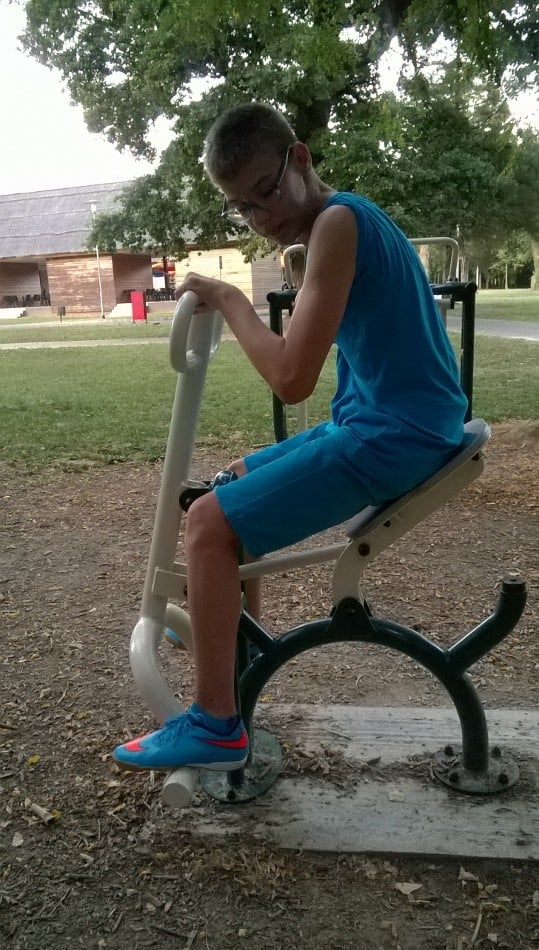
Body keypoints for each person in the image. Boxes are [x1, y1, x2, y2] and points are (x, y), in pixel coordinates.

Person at [113, 102, 468, 772]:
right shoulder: (340, 223)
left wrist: (230, 299)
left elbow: (290, 379)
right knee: (221, 491)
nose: (260, 216)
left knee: (208, 525)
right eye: (241, 207)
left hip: (397, 435)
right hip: (388, 422)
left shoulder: (338, 223)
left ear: (299, 158)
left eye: (266, 191)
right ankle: (234, 654)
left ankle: (217, 725)